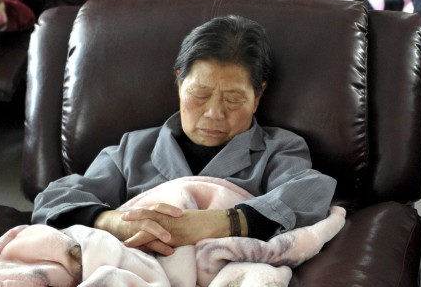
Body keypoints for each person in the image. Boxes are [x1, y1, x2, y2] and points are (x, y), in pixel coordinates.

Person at [32, 15, 337, 256]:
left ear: (259, 96)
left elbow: (312, 191)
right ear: (179, 82)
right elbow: (55, 198)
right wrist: (114, 223)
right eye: (200, 94)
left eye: (233, 99)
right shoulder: (133, 150)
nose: (215, 113)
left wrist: (218, 223)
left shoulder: (278, 149)